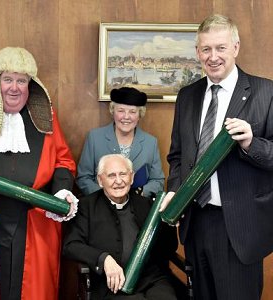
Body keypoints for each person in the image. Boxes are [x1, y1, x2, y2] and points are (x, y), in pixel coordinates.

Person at [160, 14, 273, 300]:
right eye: (206, 49)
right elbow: (177, 156)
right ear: (197, 52)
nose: (213, 57)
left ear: (235, 47)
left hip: (240, 227)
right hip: (196, 222)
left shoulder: (266, 92)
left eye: (220, 48)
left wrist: (250, 143)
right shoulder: (187, 96)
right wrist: (175, 190)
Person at [0, 47, 77, 300]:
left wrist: (61, 193)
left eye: (22, 81)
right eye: (7, 79)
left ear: (30, 83)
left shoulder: (45, 112)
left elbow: (63, 160)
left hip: (36, 221)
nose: (14, 87)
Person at [64, 154, 178, 300]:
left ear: (132, 177)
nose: (118, 181)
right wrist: (103, 259)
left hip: (151, 281)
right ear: (100, 180)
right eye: (111, 175)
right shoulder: (86, 207)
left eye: (123, 174)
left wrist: (169, 220)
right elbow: (71, 246)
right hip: (110, 286)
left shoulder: (148, 205)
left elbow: (169, 247)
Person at [76, 87, 164, 197]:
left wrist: (137, 195)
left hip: (138, 207)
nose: (126, 117)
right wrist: (107, 197)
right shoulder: (94, 138)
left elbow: (157, 181)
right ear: (113, 111)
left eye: (132, 112)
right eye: (121, 111)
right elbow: (84, 178)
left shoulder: (151, 142)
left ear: (139, 115)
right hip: (101, 206)